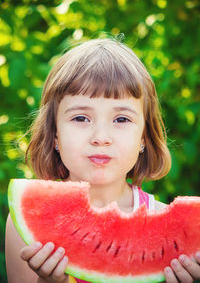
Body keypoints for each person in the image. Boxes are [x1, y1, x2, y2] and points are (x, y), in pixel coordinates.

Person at [5, 38, 200, 283]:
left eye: (121, 120)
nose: (100, 137)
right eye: (80, 118)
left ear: (144, 137)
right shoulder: (24, 223)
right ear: (55, 135)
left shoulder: (169, 233)